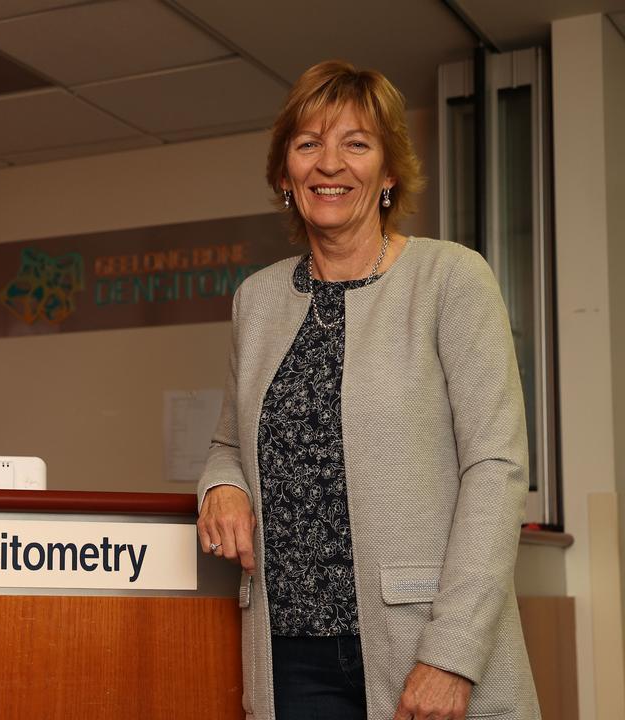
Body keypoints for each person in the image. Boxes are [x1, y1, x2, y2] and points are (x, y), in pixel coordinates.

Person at [196, 60, 539, 720]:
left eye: (355, 143)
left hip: (420, 643)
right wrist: (223, 486)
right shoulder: (257, 302)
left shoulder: (450, 280)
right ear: (284, 175)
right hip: (290, 654)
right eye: (308, 144)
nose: (330, 164)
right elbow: (227, 445)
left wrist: (452, 652)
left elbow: (496, 470)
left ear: (387, 173)